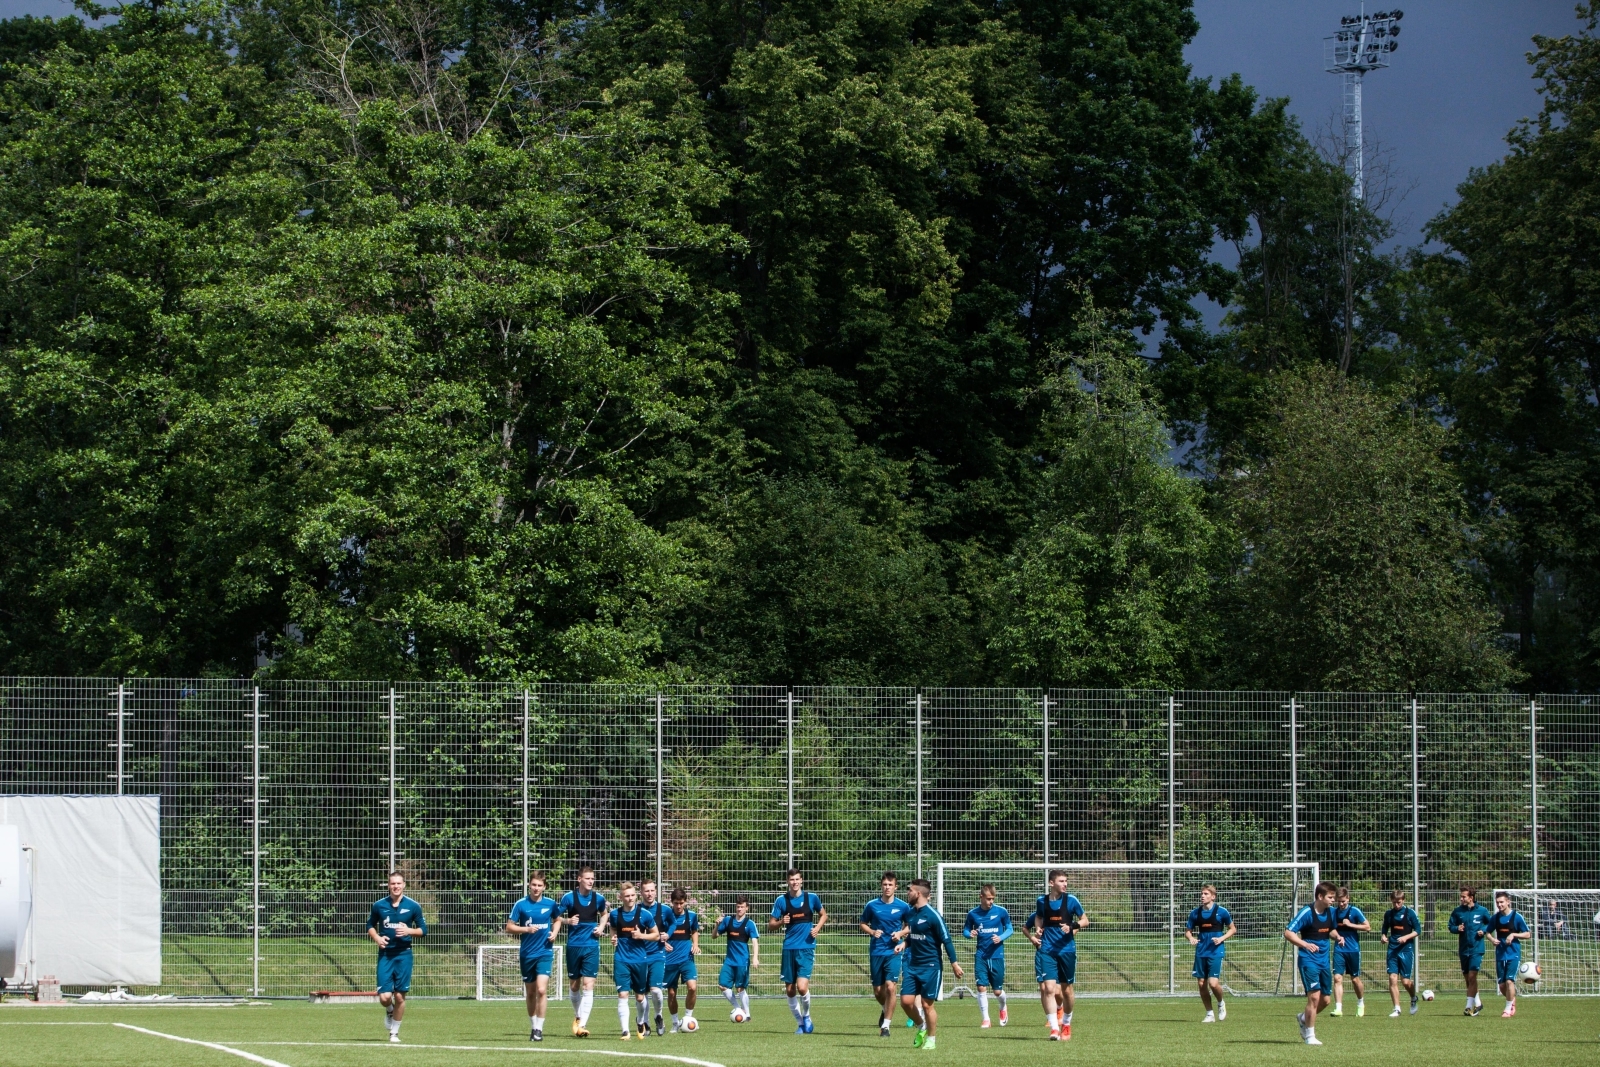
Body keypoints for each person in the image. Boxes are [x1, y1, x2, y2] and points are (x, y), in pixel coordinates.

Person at [900, 877, 964, 1051]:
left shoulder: (933, 915)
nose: (908, 893)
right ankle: (921, 1025)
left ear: (918, 893)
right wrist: (903, 944)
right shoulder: (911, 913)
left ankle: (931, 1039)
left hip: (931, 966)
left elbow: (947, 940)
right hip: (913, 965)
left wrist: (954, 964)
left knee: (928, 1005)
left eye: (910, 890)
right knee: (905, 1002)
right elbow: (914, 937)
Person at [1026, 869, 1088, 1041]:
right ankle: (1054, 1028)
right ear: (1051, 883)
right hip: (1047, 950)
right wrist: (1038, 928)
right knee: (1048, 989)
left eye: (1066, 881)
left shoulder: (1071, 900)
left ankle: (1066, 1024)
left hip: (1066, 950)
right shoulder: (1042, 901)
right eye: (1061, 881)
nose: (1065, 884)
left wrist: (1073, 925)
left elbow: (1085, 920)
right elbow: (1038, 918)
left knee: (1067, 991)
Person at [367, 871, 426, 1044]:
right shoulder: (379, 905)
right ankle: (389, 1010)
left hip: (404, 954)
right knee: (385, 998)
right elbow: (370, 924)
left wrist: (409, 931)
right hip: (386, 955)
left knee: (400, 996)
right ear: (388, 885)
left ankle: (394, 1033)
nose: (396, 886)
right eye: (393, 883)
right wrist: (377, 938)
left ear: (404, 885)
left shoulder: (413, 906)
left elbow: (423, 930)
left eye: (399, 883)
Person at [1285, 880, 1343, 1046]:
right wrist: (1305, 944)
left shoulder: (1331, 913)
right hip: (1308, 960)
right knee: (1315, 997)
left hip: (1324, 961)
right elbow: (1288, 932)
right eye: (1330, 897)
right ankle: (1310, 1035)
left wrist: (1337, 937)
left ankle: (1303, 1018)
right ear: (1320, 896)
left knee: (1326, 1000)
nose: (1333, 900)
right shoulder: (1307, 912)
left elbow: (1331, 930)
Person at [770, 867, 828, 1034]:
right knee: (790, 990)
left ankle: (807, 1015)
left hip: (806, 948)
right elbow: (770, 924)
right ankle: (800, 1023)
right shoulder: (781, 901)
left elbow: (823, 914)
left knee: (802, 987)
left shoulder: (812, 898)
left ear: (801, 881)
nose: (794, 883)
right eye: (791, 880)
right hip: (789, 948)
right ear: (788, 882)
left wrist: (817, 928)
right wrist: (781, 922)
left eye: (797, 879)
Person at [506, 871, 562, 1042]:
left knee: (541, 990)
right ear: (529, 885)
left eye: (539, 885)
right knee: (530, 993)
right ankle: (533, 1026)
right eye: (533, 885)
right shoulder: (521, 904)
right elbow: (509, 927)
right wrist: (526, 929)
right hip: (527, 954)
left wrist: (555, 932)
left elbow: (558, 919)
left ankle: (539, 1028)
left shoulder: (551, 904)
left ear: (544, 887)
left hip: (544, 952)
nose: (536, 888)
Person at [558, 866, 608, 1037]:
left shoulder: (598, 898)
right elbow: (556, 917)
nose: (591, 881)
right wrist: (567, 920)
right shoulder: (568, 898)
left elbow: (604, 914)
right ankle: (578, 1016)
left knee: (589, 985)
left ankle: (582, 1024)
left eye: (592, 878)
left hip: (591, 946)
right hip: (573, 946)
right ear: (579, 879)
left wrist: (601, 926)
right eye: (587, 878)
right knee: (574, 985)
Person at [609, 882, 663, 1041]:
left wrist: (642, 936)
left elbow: (656, 935)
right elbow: (613, 928)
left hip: (640, 960)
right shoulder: (614, 914)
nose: (630, 898)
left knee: (640, 997)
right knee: (623, 994)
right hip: (621, 959)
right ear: (620, 897)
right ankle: (625, 1031)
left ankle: (640, 1021)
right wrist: (614, 937)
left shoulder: (644, 914)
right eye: (627, 896)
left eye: (633, 895)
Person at [860, 871, 911, 1036]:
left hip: (893, 952)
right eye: (885, 884)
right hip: (876, 951)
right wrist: (872, 931)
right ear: (881, 886)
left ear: (896, 887)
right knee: (878, 991)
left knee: (890, 987)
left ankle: (886, 1026)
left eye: (890, 885)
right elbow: (862, 923)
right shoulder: (872, 905)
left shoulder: (903, 906)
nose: (887, 887)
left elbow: (910, 926)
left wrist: (900, 935)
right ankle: (885, 1008)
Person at [963, 884, 1013, 1029]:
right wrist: (969, 934)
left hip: (997, 955)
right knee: (981, 987)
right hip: (981, 955)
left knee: (997, 991)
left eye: (993, 899)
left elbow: (1010, 928)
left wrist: (1001, 937)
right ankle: (986, 1019)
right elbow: (966, 930)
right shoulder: (973, 914)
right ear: (981, 897)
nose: (991, 901)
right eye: (988, 899)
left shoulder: (1001, 912)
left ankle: (1003, 1006)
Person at [1184, 883, 1234, 1023]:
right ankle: (1209, 1014)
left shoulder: (1222, 912)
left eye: (1206, 894)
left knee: (1213, 983)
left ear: (1213, 896)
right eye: (1202, 894)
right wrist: (1191, 938)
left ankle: (1221, 1003)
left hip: (1215, 951)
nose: (1202, 896)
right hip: (1201, 951)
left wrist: (1221, 938)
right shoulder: (1195, 913)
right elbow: (1188, 931)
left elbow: (1232, 929)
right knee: (1201, 984)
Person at [714, 894, 760, 1023]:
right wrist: (717, 925)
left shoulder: (749, 924)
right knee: (722, 985)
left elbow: (755, 941)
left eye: (742, 907)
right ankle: (738, 1009)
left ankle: (748, 1014)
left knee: (740, 988)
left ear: (747, 908)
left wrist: (755, 958)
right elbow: (714, 936)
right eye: (738, 906)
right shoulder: (728, 920)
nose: (739, 909)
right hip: (729, 961)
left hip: (742, 961)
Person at [1447, 886, 1492, 1016]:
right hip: (1463, 949)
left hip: (1477, 948)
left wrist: (1483, 930)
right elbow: (1450, 926)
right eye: (1461, 896)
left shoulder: (1482, 911)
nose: (1461, 899)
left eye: (1463, 896)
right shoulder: (1457, 911)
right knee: (1468, 979)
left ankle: (1468, 1007)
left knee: (1472, 976)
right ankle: (1478, 1003)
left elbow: (1490, 924)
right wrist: (1457, 928)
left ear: (1471, 898)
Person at [662, 888, 702, 1032]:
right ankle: (674, 1023)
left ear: (685, 902)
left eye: (681, 903)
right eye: (676, 903)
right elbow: (658, 934)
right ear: (671, 902)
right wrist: (663, 943)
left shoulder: (691, 916)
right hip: (670, 960)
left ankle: (687, 1018)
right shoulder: (666, 916)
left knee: (692, 987)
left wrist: (695, 945)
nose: (678, 906)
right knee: (671, 993)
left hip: (686, 958)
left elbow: (694, 931)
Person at [1487, 890, 1531, 1018]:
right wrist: (1492, 939)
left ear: (1508, 902)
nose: (1499, 905)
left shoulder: (1516, 917)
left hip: (1513, 954)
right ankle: (1511, 1001)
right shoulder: (1495, 918)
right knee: (1501, 985)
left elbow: (1528, 934)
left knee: (1509, 981)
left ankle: (1507, 1009)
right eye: (1497, 902)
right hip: (1500, 954)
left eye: (1502, 902)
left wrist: (1514, 934)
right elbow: (1488, 932)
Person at [1379, 889, 1422, 1017]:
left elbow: (1418, 930)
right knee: (1392, 978)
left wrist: (1406, 937)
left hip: (1406, 949)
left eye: (1399, 902)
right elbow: (1385, 928)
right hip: (1393, 949)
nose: (1396, 905)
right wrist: (1383, 936)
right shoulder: (1389, 914)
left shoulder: (1410, 913)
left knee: (1405, 981)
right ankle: (1397, 1008)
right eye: (1394, 902)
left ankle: (1413, 998)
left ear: (1403, 900)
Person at [638, 879, 672, 1036]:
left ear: (656, 891)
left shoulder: (664, 909)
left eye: (652, 890)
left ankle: (658, 1015)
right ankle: (644, 1022)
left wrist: (668, 934)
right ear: (641, 893)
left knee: (656, 990)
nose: (649, 894)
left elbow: (673, 923)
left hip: (657, 955)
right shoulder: (635, 910)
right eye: (646, 891)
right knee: (641, 993)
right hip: (638, 956)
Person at [1331, 886, 1370, 1017]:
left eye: (1344, 901)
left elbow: (1367, 926)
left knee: (1355, 979)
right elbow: (1330, 929)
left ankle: (1360, 1003)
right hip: (1339, 949)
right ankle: (1338, 1009)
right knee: (1337, 978)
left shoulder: (1355, 911)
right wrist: (1337, 937)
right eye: (1339, 901)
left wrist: (1351, 925)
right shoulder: (1333, 912)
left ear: (1348, 899)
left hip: (1353, 950)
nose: (1341, 904)